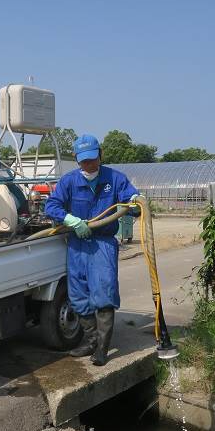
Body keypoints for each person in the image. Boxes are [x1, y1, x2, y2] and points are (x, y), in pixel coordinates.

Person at [44, 134, 140, 366]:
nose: (89, 164)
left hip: (102, 243)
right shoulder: (69, 181)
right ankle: (90, 341)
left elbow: (130, 200)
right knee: (78, 295)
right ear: (77, 159)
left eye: (92, 159)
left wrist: (135, 201)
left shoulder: (114, 178)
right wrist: (70, 219)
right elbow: (51, 205)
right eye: (84, 160)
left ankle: (102, 348)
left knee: (104, 292)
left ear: (100, 155)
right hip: (77, 244)